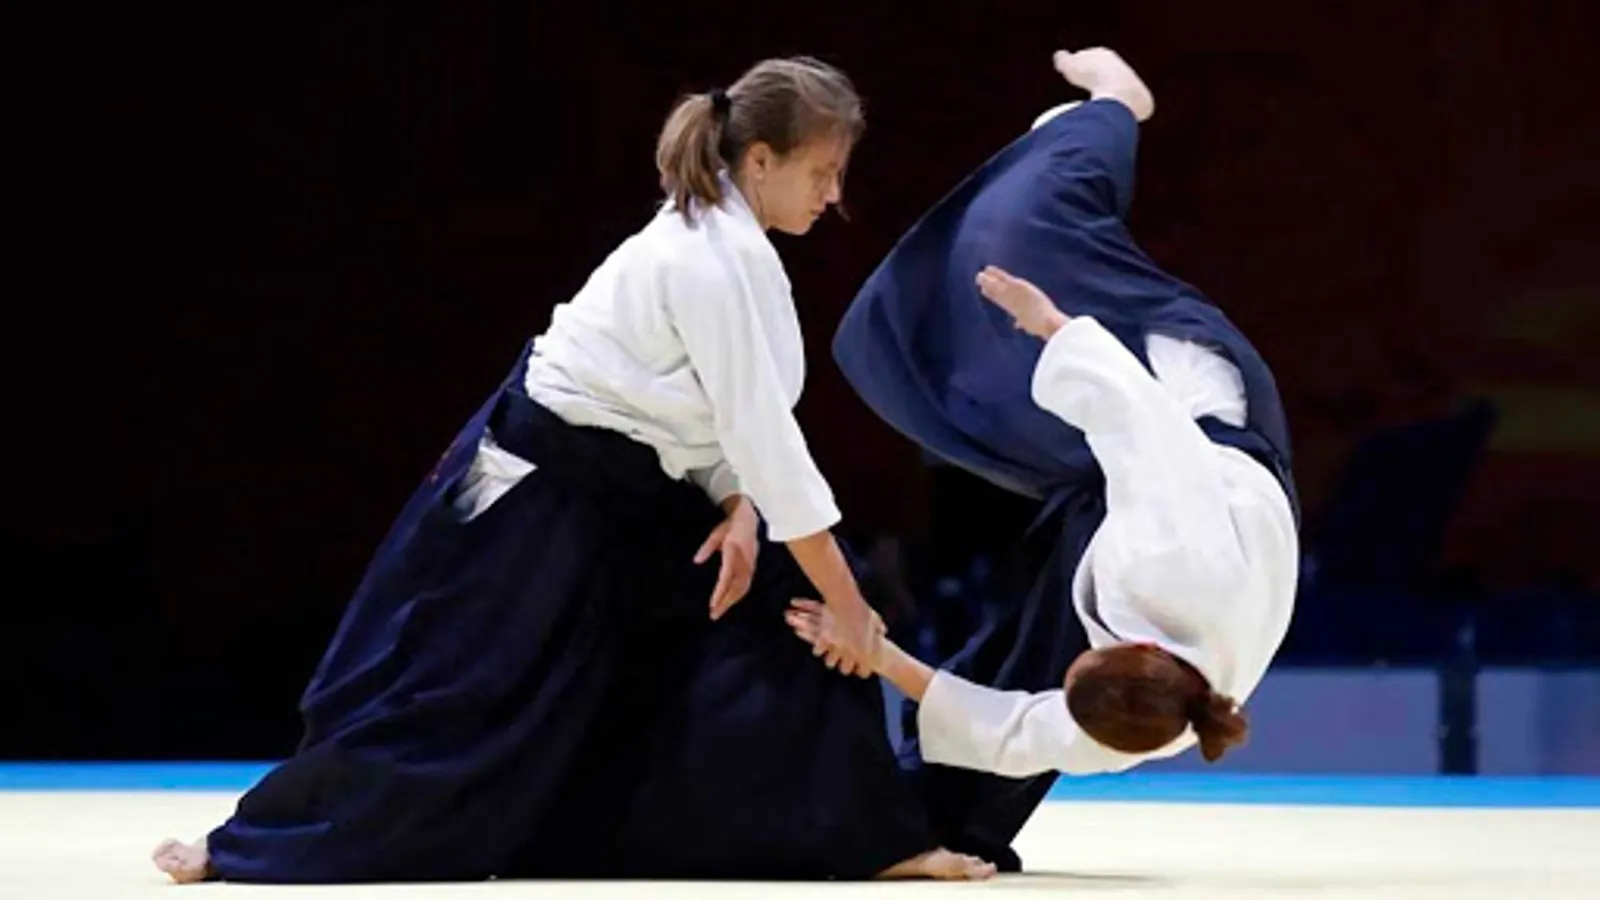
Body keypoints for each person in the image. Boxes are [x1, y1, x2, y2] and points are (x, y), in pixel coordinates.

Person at [153, 56, 991, 885]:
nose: (834, 195)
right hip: (539, 489)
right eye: (822, 171)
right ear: (762, 160)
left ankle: (871, 838)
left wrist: (738, 507)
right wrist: (854, 613)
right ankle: (252, 842)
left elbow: (716, 419)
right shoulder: (706, 257)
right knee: (453, 689)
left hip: (633, 489)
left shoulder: (731, 248)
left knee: (769, 620)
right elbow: (765, 441)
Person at [814, 47, 1302, 872]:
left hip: (1140, 484)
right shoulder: (1168, 563)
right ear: (1143, 650)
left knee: (1020, 642)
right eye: (1088, 658)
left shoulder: (1139, 725)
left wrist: (875, 651)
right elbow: (1141, 425)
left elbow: (1012, 730)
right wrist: (1055, 327)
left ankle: (939, 821)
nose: (1071, 663)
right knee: (1012, 239)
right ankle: (1115, 106)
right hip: (1189, 401)